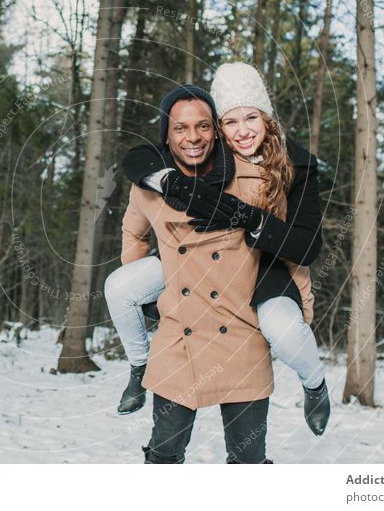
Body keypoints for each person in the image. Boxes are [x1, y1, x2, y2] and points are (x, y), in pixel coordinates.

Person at [108, 63, 329, 446]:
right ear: (219, 129)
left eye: (251, 118)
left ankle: (315, 385)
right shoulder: (211, 150)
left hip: (263, 265)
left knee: (283, 332)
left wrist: (249, 218)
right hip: (187, 269)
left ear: (267, 119)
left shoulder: (294, 167)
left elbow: (306, 248)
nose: (242, 130)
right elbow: (144, 155)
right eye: (230, 122)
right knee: (119, 287)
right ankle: (139, 367)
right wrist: (166, 178)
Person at [117, 82, 278, 463]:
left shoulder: (254, 180)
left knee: (249, 463)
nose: (193, 137)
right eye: (180, 128)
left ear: (217, 130)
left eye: (203, 126)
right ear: (167, 135)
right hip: (179, 337)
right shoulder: (148, 186)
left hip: (242, 336)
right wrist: (147, 293)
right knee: (163, 456)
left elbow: (287, 251)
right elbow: (132, 234)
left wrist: (294, 318)